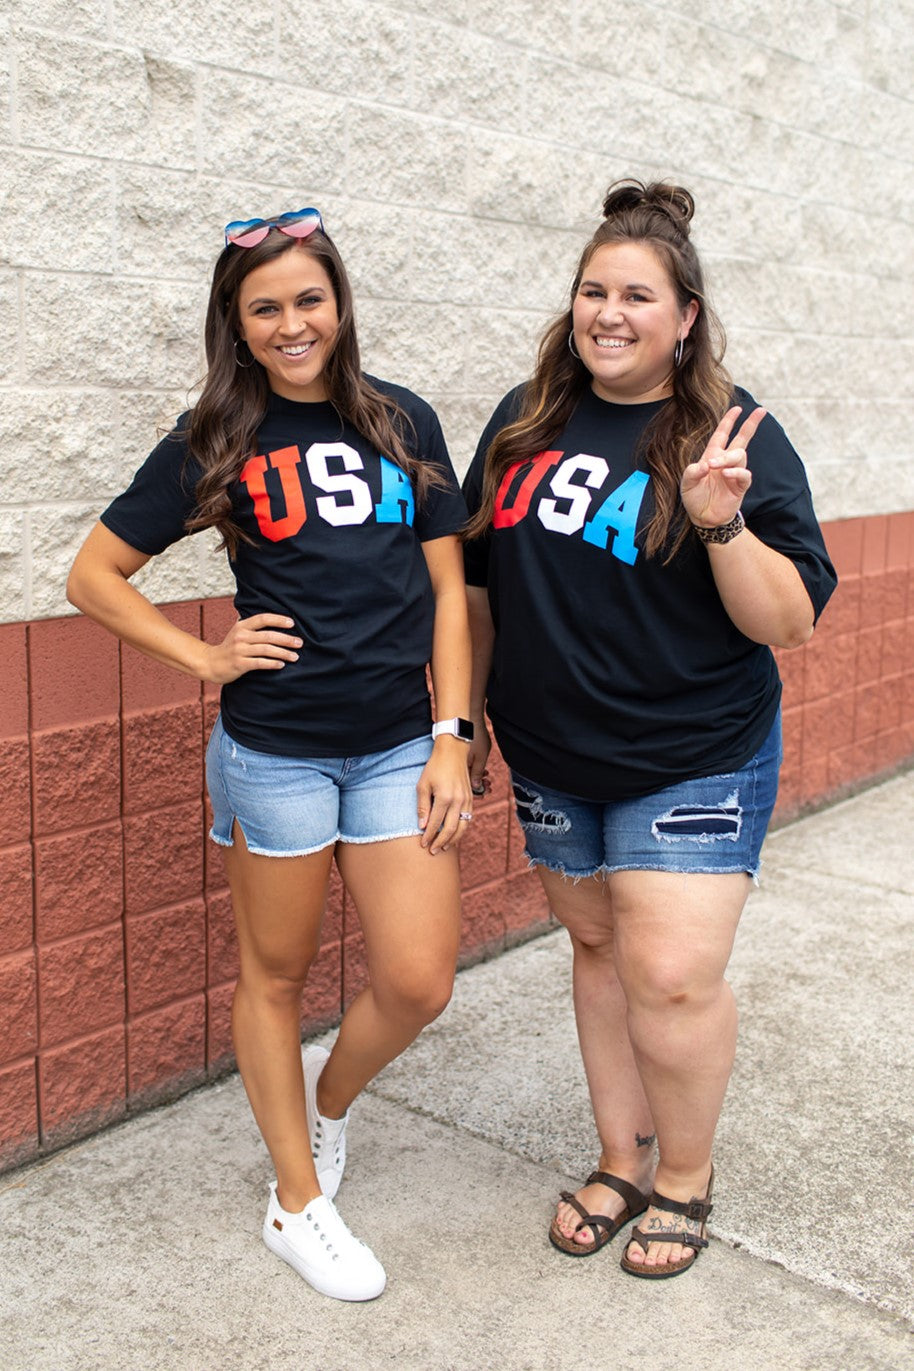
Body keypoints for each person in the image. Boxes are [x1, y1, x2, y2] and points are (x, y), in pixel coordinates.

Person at [67, 207, 475, 1302]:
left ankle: (324, 1106)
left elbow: (448, 592)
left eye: (308, 300)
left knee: (417, 979)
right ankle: (296, 1202)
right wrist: (203, 657)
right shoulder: (216, 437)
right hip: (277, 752)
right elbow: (94, 575)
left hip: (397, 746)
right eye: (265, 309)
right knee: (276, 975)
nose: (292, 324)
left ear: (339, 304)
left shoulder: (405, 420)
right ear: (236, 325)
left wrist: (452, 736)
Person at [462, 180, 836, 1280]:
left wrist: (721, 522)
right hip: (552, 756)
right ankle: (619, 1158)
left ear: (685, 316)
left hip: (691, 755)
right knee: (595, 948)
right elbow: (478, 587)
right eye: (593, 290)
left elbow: (789, 621)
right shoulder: (526, 417)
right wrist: (463, 719)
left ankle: (682, 1176)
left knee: (668, 974)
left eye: (636, 295)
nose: (608, 313)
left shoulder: (730, 432)